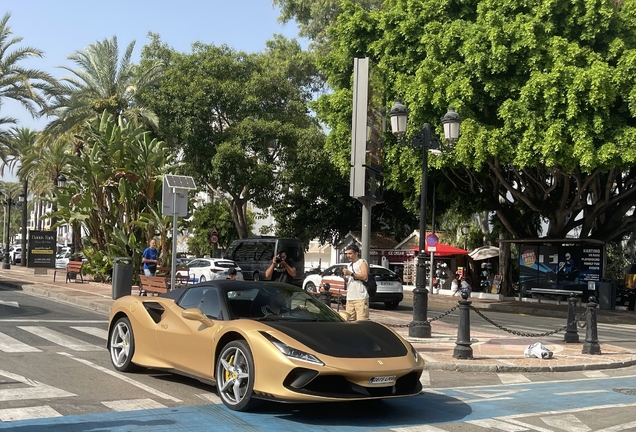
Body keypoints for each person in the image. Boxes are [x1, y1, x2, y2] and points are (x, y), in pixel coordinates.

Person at [341, 244, 370, 321]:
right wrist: (345, 276)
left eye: (350, 253)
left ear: (356, 253)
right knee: (349, 321)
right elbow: (349, 279)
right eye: (347, 254)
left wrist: (351, 273)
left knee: (362, 321)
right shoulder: (349, 265)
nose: (348, 256)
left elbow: (364, 276)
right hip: (350, 297)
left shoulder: (362, 262)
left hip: (360, 297)